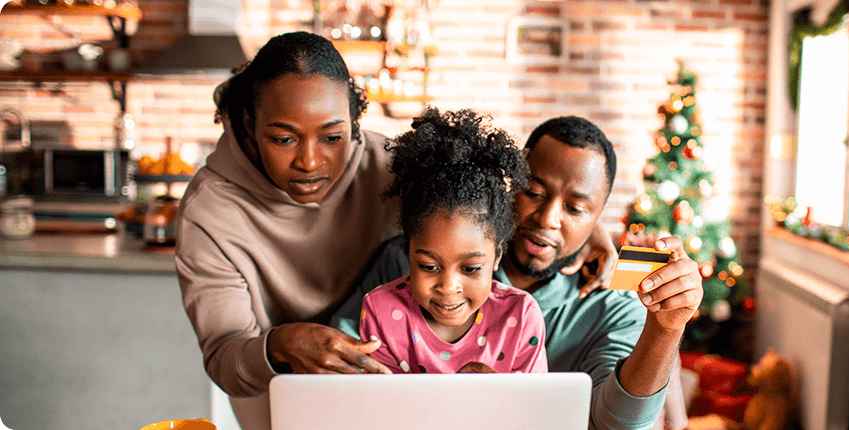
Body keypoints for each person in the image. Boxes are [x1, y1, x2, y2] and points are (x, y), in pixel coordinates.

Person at [333, 116, 703, 430]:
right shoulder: (408, 260)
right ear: (510, 187)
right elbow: (337, 369)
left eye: (576, 209)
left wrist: (666, 328)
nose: (547, 219)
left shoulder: (615, 302)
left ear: (598, 216)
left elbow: (617, 424)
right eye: (534, 192)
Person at [175, 31, 399, 429]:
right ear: (249, 123)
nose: (310, 161)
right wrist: (279, 344)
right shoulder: (208, 209)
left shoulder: (389, 171)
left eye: (332, 137)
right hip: (272, 402)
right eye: (283, 139)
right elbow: (224, 360)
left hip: (384, 397)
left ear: (354, 119)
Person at [359, 108, 547, 374]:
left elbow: (536, 411)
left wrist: (498, 397)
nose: (448, 287)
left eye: (470, 269)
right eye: (428, 266)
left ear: (497, 256)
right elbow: (379, 409)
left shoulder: (520, 315)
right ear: (407, 251)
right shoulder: (381, 311)